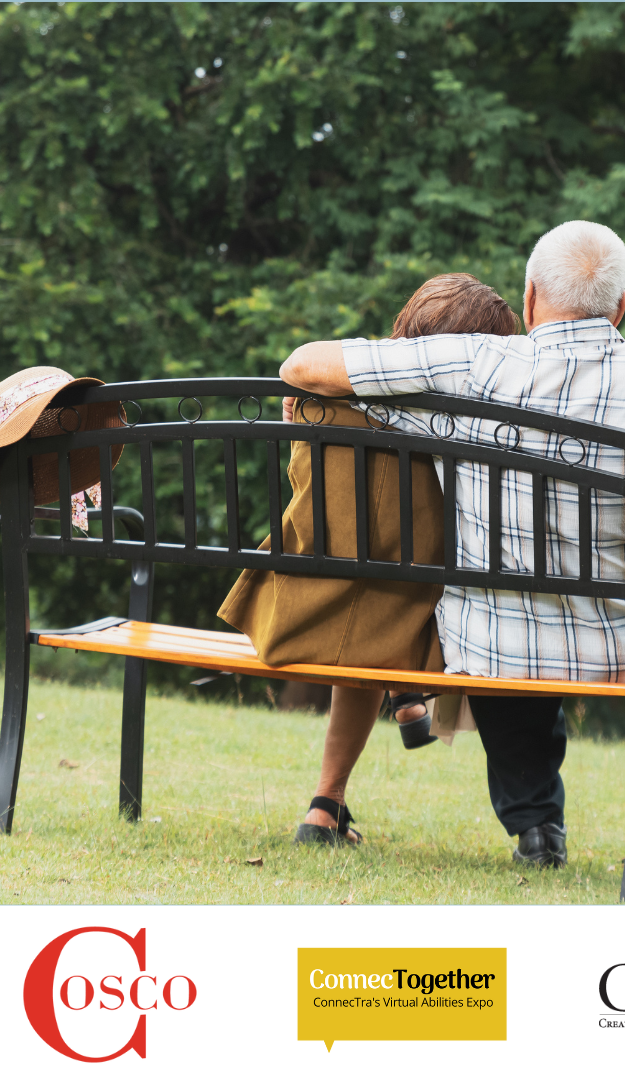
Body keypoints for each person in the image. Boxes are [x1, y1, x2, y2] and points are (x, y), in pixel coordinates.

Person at [279, 220, 625, 881]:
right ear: (619, 309)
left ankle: (534, 826)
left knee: (505, 623)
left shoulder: (472, 363)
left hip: (491, 643)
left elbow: (300, 366)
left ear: (529, 299)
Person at [217, 274, 519, 845]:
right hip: (400, 629)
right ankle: (402, 700)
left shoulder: (320, 403)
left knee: (362, 583)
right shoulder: (469, 427)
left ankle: (326, 807)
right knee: (386, 592)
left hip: (293, 614)